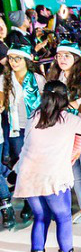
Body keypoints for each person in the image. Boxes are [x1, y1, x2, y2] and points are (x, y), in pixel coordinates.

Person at [13, 81, 81, 252]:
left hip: (28, 176)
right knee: (62, 218)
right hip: (52, 176)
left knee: (41, 217)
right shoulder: (68, 118)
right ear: (65, 98)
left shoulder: (34, 116)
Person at [45, 41, 81, 224]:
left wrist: (76, 103)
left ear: (76, 58)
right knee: (73, 170)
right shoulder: (54, 78)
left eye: (67, 55)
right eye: (59, 55)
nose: (62, 59)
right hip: (61, 130)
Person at [0, 44, 46, 224]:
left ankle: (43, 199)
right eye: (11, 59)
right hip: (17, 129)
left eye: (17, 59)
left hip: (37, 126)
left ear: (26, 60)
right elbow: (1, 99)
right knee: (23, 165)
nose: (13, 62)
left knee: (38, 163)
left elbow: (45, 103)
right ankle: (29, 202)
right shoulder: (4, 79)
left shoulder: (37, 78)